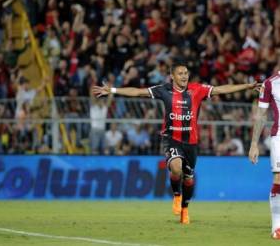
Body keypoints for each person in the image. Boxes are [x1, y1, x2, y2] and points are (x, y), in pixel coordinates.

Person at [93, 64, 260, 224]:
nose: (184, 76)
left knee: (188, 177)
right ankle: (177, 195)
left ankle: (185, 209)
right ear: (172, 76)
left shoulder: (197, 89)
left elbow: (220, 89)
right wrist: (112, 90)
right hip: (171, 138)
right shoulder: (163, 90)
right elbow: (138, 92)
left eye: (186, 73)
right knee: (176, 167)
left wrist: (247, 86)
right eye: (180, 73)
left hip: (191, 142)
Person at [249, 71, 280, 239]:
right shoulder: (270, 83)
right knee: (278, 179)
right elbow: (261, 116)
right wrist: (254, 144)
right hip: (279, 137)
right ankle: (277, 226)